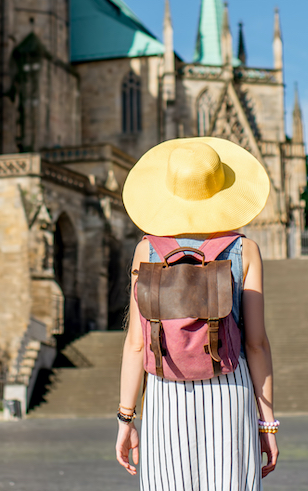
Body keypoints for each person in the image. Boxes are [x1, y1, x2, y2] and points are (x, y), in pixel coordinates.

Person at [114, 137, 278, 489]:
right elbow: (256, 344)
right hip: (229, 387)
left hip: (164, 388)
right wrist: (267, 424)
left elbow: (136, 344)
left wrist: (126, 419)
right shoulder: (244, 250)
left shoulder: (146, 251)